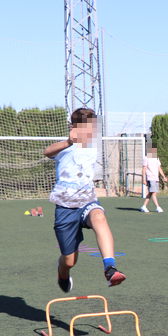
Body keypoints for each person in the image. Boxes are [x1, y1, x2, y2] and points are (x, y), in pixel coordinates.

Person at [44, 107, 125, 292]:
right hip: (65, 207)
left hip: (87, 202)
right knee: (69, 260)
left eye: (93, 127)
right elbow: (47, 152)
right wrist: (68, 141)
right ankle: (62, 273)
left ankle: (110, 269)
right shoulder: (64, 147)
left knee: (99, 217)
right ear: (74, 127)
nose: (92, 130)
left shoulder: (92, 145)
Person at [141, 143, 168, 212]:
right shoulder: (146, 158)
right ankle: (157, 207)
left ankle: (144, 206)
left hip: (156, 178)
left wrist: (164, 176)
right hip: (150, 178)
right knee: (154, 193)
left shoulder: (156, 158)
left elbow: (159, 168)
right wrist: (144, 179)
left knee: (151, 193)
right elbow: (144, 169)